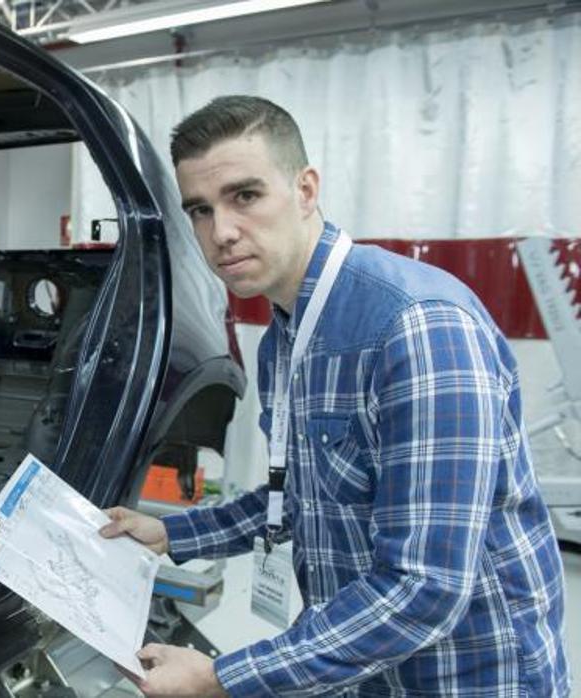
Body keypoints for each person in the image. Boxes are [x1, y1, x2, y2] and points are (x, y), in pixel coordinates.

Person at [100, 95, 570, 697]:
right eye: (200, 209)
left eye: (245, 195)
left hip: (464, 679)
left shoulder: (417, 326)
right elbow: (301, 492)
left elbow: (424, 588)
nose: (222, 232)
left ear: (305, 189)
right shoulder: (286, 338)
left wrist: (223, 680)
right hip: (362, 672)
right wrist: (171, 534)